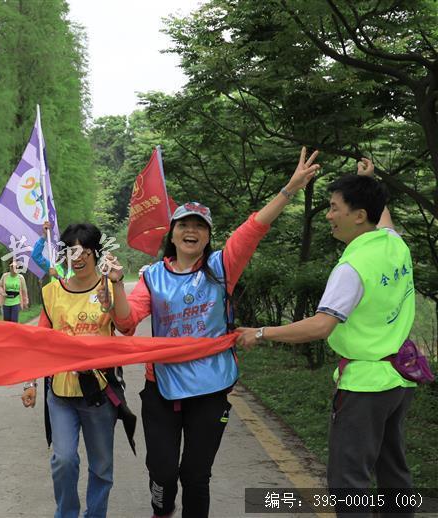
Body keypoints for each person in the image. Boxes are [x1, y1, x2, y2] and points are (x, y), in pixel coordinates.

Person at [105, 148, 321, 518]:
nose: (192, 231)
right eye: (184, 225)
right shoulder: (151, 276)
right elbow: (126, 323)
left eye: (200, 226)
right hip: (162, 388)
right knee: (162, 472)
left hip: (210, 387)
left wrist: (290, 188)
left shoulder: (222, 267)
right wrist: (115, 288)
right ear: (172, 234)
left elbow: (253, 229)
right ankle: (162, 510)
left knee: (196, 474)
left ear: (208, 236)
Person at [236, 158, 416, 517]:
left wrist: (260, 331)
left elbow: (321, 326)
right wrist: (368, 181)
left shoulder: (351, 268)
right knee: (393, 472)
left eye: (335, 208)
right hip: (399, 379)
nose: (329, 215)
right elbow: (385, 219)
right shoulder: (394, 245)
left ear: (359, 215)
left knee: (349, 482)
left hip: (364, 385)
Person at [22, 223, 134, 518]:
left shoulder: (108, 288)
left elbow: (127, 326)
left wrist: (118, 285)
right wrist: (29, 383)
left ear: (97, 253)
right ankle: (67, 514)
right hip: (60, 393)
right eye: (72, 249)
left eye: (85, 249)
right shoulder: (52, 293)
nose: (78, 255)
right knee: (64, 460)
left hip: (99, 393)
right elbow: (37, 343)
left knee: (102, 466)